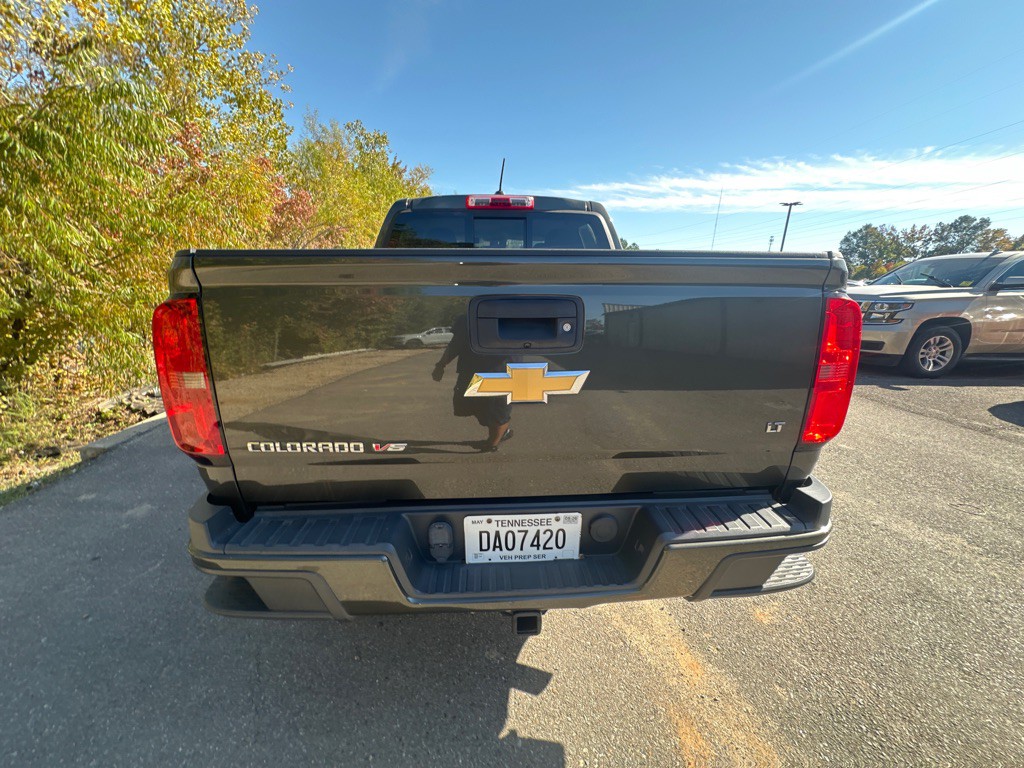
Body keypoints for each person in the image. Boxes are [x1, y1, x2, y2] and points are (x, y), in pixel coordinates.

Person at [432, 314, 514, 452]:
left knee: (497, 408)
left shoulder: (515, 316)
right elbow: (456, 344)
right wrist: (441, 365)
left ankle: (492, 443)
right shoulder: (467, 317)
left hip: (502, 370)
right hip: (472, 370)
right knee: (469, 405)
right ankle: (499, 432)